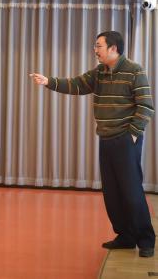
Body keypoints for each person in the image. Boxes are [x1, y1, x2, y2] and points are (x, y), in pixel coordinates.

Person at [30, 30, 155, 258]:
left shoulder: (134, 71)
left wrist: (133, 135)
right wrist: (48, 81)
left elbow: (146, 105)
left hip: (126, 140)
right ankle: (125, 236)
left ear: (113, 48)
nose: (95, 50)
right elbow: (76, 85)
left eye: (98, 46)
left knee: (131, 191)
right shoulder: (99, 73)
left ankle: (146, 240)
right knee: (112, 192)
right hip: (106, 139)